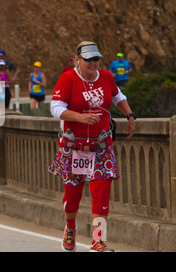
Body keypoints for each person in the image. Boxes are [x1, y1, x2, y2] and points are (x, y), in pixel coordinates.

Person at [49, 41, 136, 252]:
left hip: (100, 147)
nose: (93, 63)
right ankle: (70, 227)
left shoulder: (106, 76)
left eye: (96, 58)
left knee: (102, 192)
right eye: (88, 59)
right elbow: (55, 107)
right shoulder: (68, 78)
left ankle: (98, 240)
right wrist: (79, 117)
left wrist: (129, 115)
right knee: (72, 197)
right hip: (74, 148)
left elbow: (117, 96)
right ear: (78, 59)